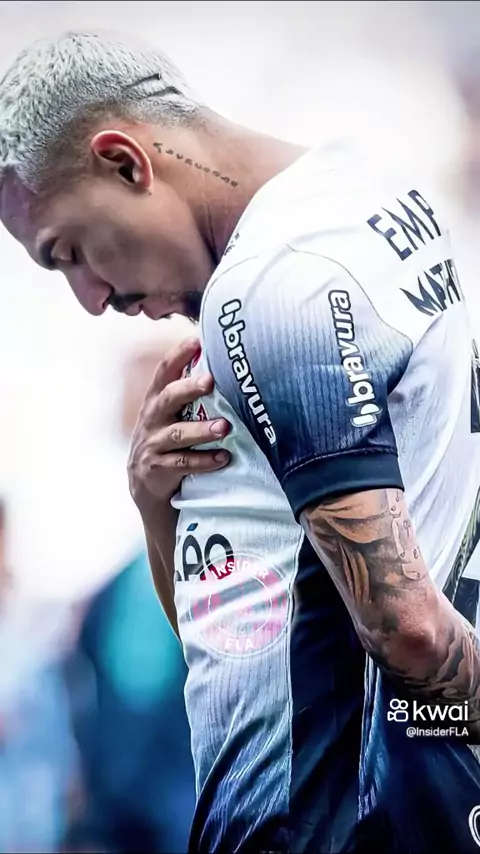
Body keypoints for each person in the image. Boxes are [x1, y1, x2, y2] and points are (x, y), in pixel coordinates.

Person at [1, 29, 480, 854]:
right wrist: (158, 512)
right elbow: (235, 650)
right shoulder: (364, 195)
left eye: (71, 252)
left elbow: (408, 631)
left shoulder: (273, 289)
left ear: (125, 162)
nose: (91, 297)